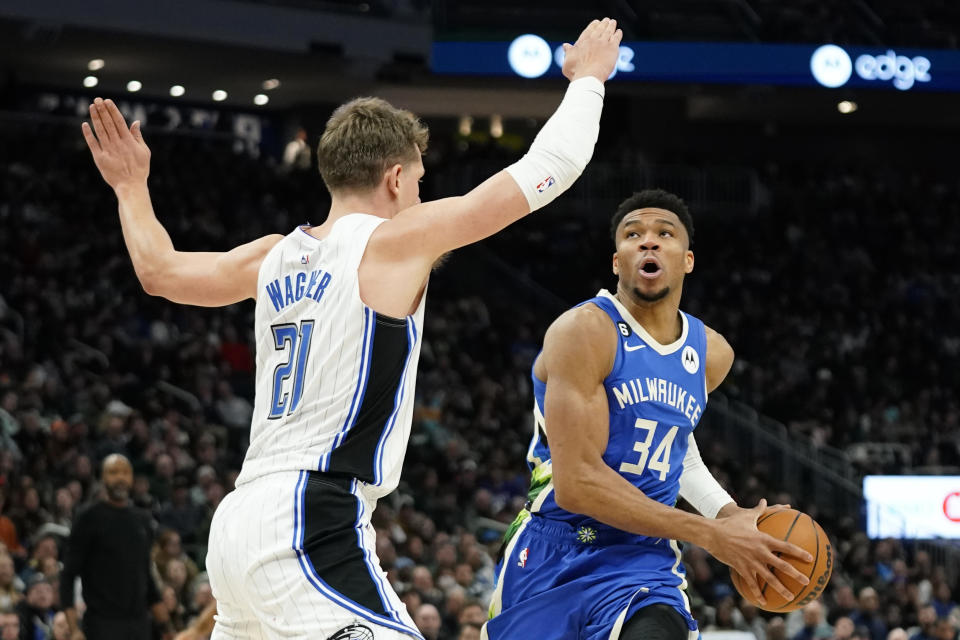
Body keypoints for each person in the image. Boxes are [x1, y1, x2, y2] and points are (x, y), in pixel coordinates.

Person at [80, 17, 622, 640]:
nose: (420, 195)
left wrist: (130, 188)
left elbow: (159, 271)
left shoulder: (269, 255)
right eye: (418, 182)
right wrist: (588, 81)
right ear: (395, 178)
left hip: (238, 521)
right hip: (313, 516)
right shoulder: (392, 242)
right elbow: (550, 166)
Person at [484, 190, 813, 640]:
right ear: (617, 261)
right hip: (555, 548)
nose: (649, 242)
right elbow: (578, 484)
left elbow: (676, 444)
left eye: (665, 233)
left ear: (688, 260)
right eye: (633, 234)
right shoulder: (584, 331)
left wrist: (728, 513)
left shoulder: (712, 354)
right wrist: (711, 535)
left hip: (642, 560)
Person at [59, 454, 168, 640]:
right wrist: (74, 629)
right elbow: (68, 574)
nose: (120, 478)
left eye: (125, 472)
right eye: (113, 472)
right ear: (103, 478)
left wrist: (166, 628)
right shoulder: (88, 518)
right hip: (101, 624)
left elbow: (146, 576)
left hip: (140, 624)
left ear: (132, 478)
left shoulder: (142, 520)